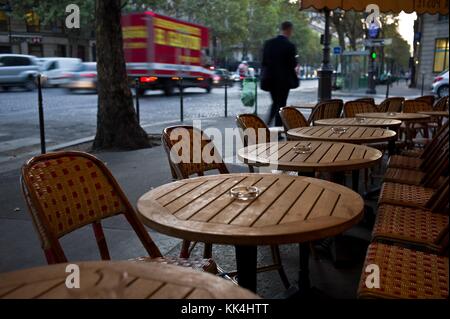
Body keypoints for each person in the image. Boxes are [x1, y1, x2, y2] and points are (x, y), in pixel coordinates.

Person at [261, 21, 299, 127]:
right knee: (281, 104)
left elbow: (264, 62)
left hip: (270, 79)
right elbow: (292, 64)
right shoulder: (290, 46)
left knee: (276, 102)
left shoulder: (268, 43)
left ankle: (267, 125)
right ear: (289, 30)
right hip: (284, 80)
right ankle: (276, 129)